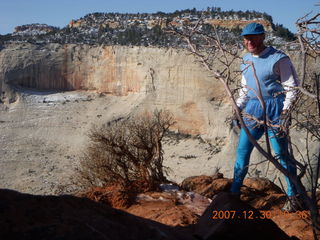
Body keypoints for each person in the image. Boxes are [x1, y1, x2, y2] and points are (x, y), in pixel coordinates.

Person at [230, 22, 300, 212]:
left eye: (253, 37)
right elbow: (245, 89)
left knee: (281, 155)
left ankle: (294, 197)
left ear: (262, 37)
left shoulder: (278, 58)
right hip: (253, 110)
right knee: (242, 152)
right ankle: (234, 193)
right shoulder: (245, 60)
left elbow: (292, 88)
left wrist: (285, 113)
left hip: (275, 108)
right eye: (246, 38)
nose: (249, 41)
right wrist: (237, 108)